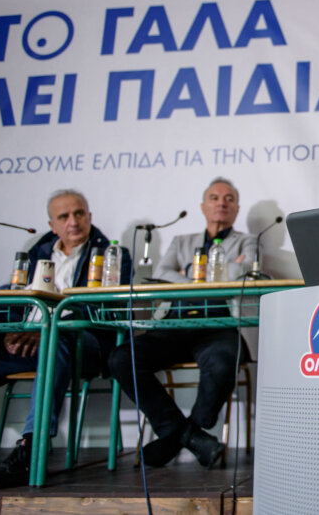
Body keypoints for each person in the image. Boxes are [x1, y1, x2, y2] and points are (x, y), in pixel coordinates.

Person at [0, 189, 130, 488]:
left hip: (79, 341)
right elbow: (15, 298)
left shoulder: (112, 255)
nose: (73, 222)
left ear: (89, 216)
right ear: (52, 225)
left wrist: (47, 329)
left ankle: (31, 450)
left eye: (79, 213)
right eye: (64, 217)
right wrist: (11, 330)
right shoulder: (35, 253)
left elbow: (106, 308)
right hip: (26, 342)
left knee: (56, 341)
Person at [109, 177, 256, 468]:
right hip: (173, 324)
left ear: (237, 209)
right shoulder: (181, 241)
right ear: (203, 206)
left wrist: (187, 272)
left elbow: (246, 272)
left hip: (218, 323)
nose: (221, 203)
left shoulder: (248, 241)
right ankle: (189, 435)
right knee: (121, 358)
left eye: (229, 199)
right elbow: (161, 274)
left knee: (224, 361)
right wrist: (218, 271)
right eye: (215, 198)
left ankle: (180, 435)